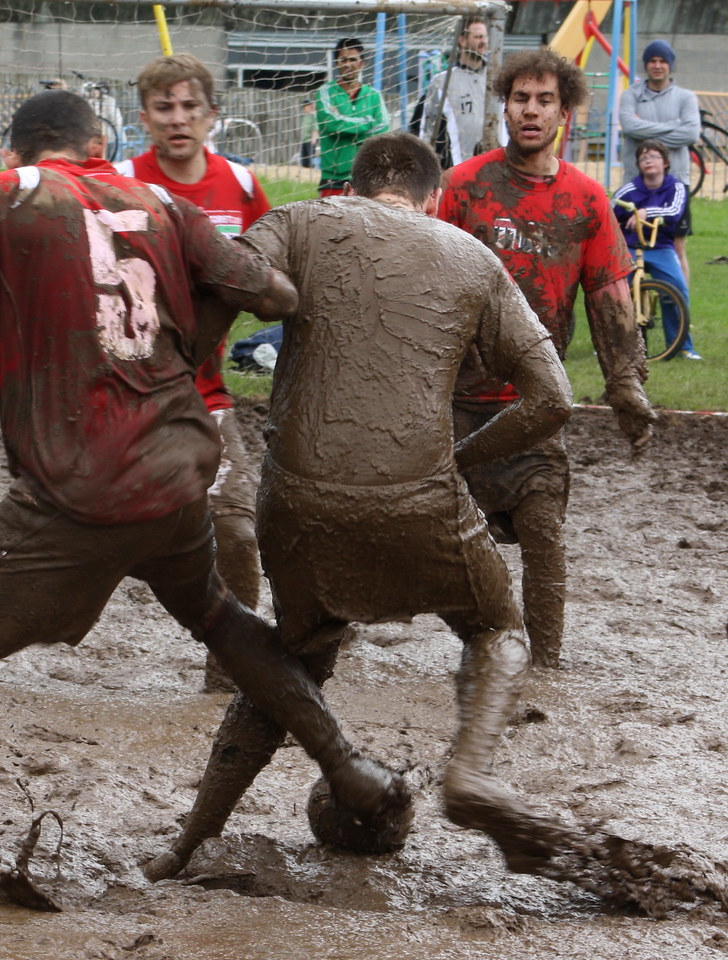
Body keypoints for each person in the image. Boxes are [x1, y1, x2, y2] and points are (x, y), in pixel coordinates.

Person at [0, 90, 400, 869]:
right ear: (97, 148)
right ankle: (348, 766)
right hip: (178, 467)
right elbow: (274, 294)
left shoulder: (1, 192)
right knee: (216, 614)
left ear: (16, 151)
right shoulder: (161, 202)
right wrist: (192, 350)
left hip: (79, 484)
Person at [145, 132, 575, 883]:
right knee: (497, 630)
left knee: (291, 666)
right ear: (433, 199)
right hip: (422, 495)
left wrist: (180, 388)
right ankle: (470, 775)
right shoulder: (472, 256)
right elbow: (554, 400)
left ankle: (185, 846)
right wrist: (461, 458)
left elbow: (219, 284)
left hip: (299, 499)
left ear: (351, 187)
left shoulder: (301, 220)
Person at [439, 48, 656, 669]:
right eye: (520, 99)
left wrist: (626, 386)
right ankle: (341, 635)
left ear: (565, 113)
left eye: (544, 101)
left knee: (543, 536)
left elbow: (611, 299)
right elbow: (420, 280)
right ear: (504, 107)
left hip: (534, 410)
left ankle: (546, 669)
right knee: (424, 542)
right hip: (453, 405)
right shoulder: (463, 187)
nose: (530, 111)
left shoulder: (585, 201)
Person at [115, 53, 271, 692]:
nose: (177, 119)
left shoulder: (241, 185)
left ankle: (232, 673)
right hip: (123, 395)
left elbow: (270, 275)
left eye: (189, 107)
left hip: (204, 394)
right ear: (144, 118)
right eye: (164, 107)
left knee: (236, 528)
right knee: (79, 534)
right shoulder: (120, 181)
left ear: (212, 115)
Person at [618, 39, 700, 291]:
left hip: (675, 185)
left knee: (676, 247)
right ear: (646, 65)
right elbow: (629, 126)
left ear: (670, 65)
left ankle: (679, 303)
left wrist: (645, 134)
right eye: (652, 61)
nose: (657, 65)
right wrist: (674, 126)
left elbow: (691, 134)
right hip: (637, 186)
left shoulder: (685, 97)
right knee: (629, 247)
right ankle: (633, 303)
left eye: (662, 61)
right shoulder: (631, 95)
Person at [612, 139, 699, 359]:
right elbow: (609, 213)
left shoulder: (676, 187)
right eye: (643, 158)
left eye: (653, 156)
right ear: (638, 165)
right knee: (618, 292)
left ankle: (682, 346)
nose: (648, 161)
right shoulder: (628, 190)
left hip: (661, 248)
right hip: (631, 247)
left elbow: (674, 212)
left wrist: (645, 212)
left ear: (665, 163)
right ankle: (614, 344)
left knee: (676, 288)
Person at [416, 16, 505, 167]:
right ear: (462, 40)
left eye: (485, 37)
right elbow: (427, 132)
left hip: (500, 168)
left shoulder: (499, 78)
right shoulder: (442, 82)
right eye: (478, 37)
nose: (483, 41)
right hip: (461, 169)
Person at [314, 38, 390, 197]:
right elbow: (331, 124)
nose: (347, 64)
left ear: (362, 63)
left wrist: (345, 127)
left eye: (353, 60)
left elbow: (383, 128)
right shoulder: (325, 92)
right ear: (337, 63)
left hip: (368, 177)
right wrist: (368, 122)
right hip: (333, 179)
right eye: (343, 60)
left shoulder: (374, 95)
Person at [299, 100, 318, 168]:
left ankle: (313, 169)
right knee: (304, 159)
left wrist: (314, 138)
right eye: (308, 106)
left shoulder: (313, 115)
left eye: (311, 105)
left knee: (311, 158)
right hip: (304, 139)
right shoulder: (305, 116)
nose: (311, 107)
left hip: (310, 139)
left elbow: (316, 127)